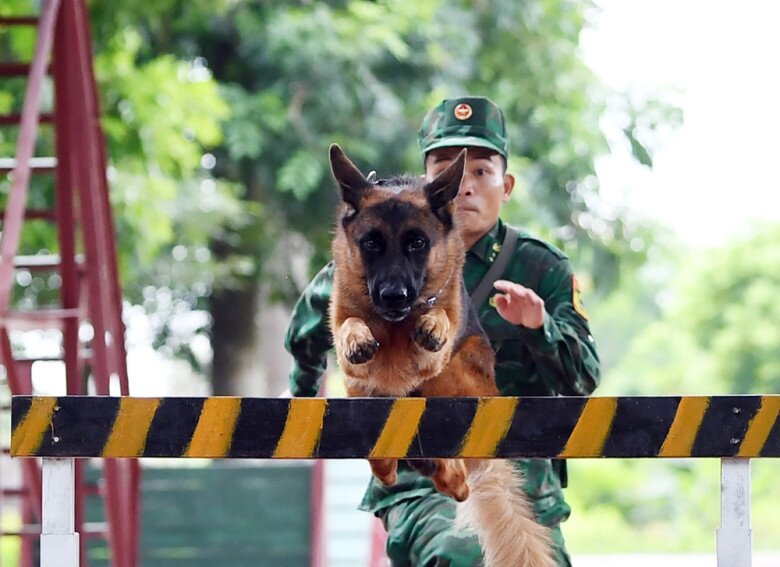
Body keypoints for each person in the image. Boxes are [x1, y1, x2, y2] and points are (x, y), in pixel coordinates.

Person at [285, 96, 600, 566]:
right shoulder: (366, 258)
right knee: (460, 555)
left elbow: (583, 383)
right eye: (450, 169)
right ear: (431, 182)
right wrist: (307, 421)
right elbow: (307, 340)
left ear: (506, 185)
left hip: (519, 477)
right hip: (419, 479)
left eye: (482, 171)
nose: (466, 186)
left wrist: (540, 327)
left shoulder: (540, 267)